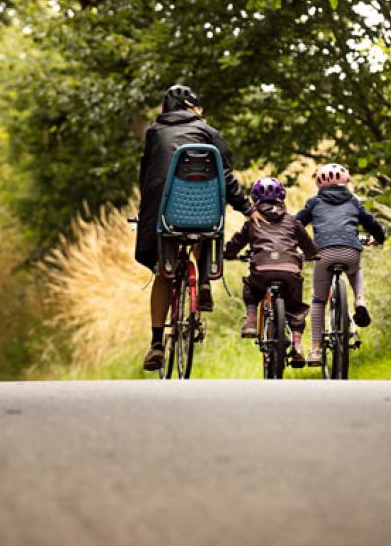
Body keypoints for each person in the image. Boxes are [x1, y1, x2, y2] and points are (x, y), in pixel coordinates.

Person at [136, 85, 250, 371]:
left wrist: (147, 212)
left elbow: (146, 175)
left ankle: (157, 343)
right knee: (203, 226)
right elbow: (225, 176)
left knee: (164, 272)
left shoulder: (154, 133)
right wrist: (247, 208)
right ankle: (204, 282)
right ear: (192, 107)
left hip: (164, 214)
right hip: (204, 214)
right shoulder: (208, 132)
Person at [295, 163, 387, 365]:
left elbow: (296, 224)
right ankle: (360, 299)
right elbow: (372, 223)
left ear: (319, 183)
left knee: (319, 301)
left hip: (323, 254)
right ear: (346, 181)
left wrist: (296, 244)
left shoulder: (314, 202)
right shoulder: (354, 201)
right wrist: (379, 238)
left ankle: (316, 350)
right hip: (350, 252)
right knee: (355, 270)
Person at [223, 177, 319, 362]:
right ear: (282, 196)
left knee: (251, 288)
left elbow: (236, 243)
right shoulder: (292, 221)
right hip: (290, 271)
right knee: (296, 307)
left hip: (262, 270)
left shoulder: (252, 222)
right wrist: (312, 255)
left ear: (254, 198)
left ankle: (251, 320)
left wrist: (228, 254)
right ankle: (297, 346)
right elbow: (309, 246)